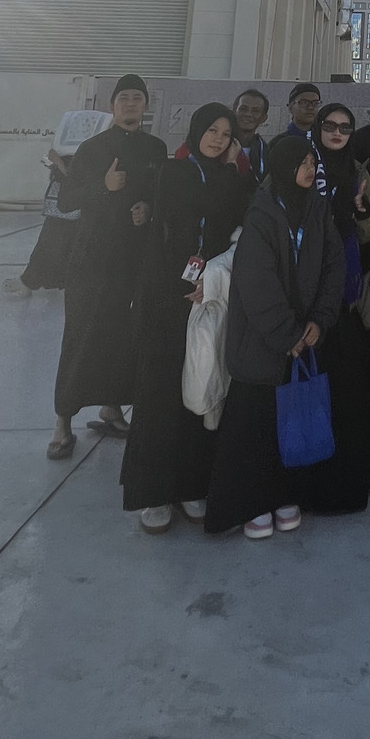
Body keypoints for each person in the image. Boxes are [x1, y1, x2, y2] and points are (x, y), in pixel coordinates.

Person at [204, 135, 347, 539]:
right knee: (257, 424)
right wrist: (287, 334)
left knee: (294, 419)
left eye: (313, 163)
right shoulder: (262, 213)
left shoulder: (318, 208)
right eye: (302, 163)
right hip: (264, 342)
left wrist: (320, 319)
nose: (310, 170)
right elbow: (255, 281)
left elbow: (334, 264)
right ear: (283, 166)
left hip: (305, 334)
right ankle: (252, 503)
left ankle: (287, 494)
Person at [121, 103, 253, 533]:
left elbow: (241, 223)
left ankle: (191, 484)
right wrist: (185, 284)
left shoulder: (232, 177)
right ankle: (155, 492)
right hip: (168, 296)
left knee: (201, 387)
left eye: (225, 134)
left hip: (208, 295)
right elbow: (178, 226)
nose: (217, 139)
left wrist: (211, 282)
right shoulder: (174, 171)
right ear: (196, 131)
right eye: (211, 130)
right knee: (161, 393)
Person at [47, 75, 166, 458]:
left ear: (145, 105)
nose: (131, 104)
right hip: (92, 261)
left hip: (133, 261)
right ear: (113, 105)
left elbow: (161, 194)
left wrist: (148, 208)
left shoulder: (155, 148)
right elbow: (66, 201)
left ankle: (112, 410)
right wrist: (104, 186)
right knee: (80, 336)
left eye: (137, 98)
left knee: (123, 338)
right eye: (124, 98)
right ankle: (63, 422)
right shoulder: (92, 148)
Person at [311, 101, 370, 502]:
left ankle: (350, 466)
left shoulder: (358, 171)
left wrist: (363, 210)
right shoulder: (302, 161)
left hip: (345, 288)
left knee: (347, 382)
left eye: (345, 127)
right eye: (330, 125)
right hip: (305, 285)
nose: (337, 133)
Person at [6, 145, 82, 295]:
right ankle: (29, 281)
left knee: (53, 245)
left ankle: (28, 282)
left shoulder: (90, 148)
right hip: (60, 205)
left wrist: (59, 162)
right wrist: (55, 162)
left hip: (73, 206)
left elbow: (78, 178)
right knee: (49, 244)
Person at [230, 87, 271, 180]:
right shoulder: (221, 145)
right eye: (243, 109)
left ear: (264, 118)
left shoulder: (266, 151)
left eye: (255, 111)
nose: (248, 114)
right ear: (234, 111)